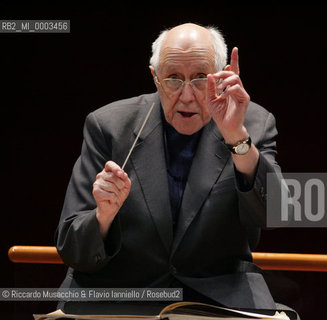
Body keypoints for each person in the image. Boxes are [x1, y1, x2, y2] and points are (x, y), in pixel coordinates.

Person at [55, 23, 293, 315]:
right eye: (174, 79)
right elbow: (72, 247)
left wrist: (236, 137)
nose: (188, 95)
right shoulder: (109, 126)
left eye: (201, 78)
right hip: (120, 296)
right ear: (155, 78)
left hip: (216, 300)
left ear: (221, 77)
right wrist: (103, 217)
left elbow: (277, 214)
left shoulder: (252, 123)